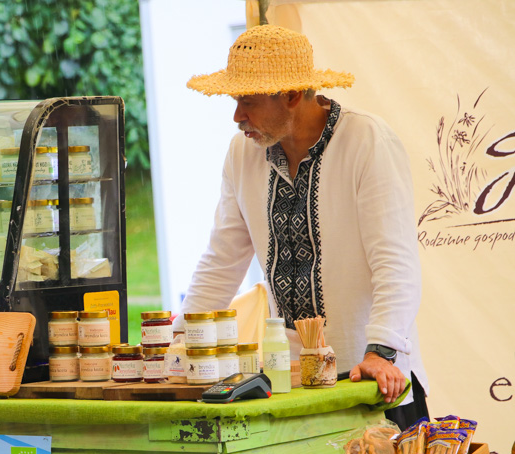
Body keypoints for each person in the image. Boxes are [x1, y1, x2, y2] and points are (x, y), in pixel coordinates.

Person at [178, 25, 428, 429]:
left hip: (373, 378)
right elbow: (221, 260)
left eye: (248, 101)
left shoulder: (366, 140)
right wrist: (179, 342)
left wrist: (382, 350)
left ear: (292, 96)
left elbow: (395, 262)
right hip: (292, 384)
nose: (237, 115)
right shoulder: (242, 153)